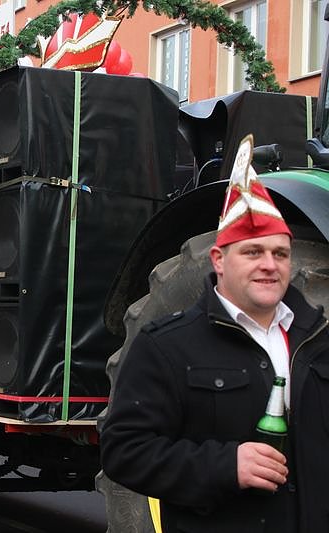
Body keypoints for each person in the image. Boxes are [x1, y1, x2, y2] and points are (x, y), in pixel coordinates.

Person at [100, 135, 329, 532]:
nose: (269, 265)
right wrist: (226, 465)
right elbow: (125, 453)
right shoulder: (165, 345)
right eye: (253, 252)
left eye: (280, 253)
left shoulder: (319, 341)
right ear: (219, 261)